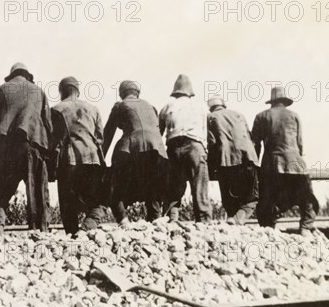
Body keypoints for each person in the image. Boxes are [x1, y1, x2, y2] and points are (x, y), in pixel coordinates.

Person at [0, 63, 52, 234]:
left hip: (5, 147)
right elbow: (48, 125)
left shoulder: (0, 90)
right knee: (37, 193)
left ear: (11, 76)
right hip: (33, 144)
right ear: (28, 76)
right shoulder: (38, 92)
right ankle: (39, 233)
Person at [251, 86, 319, 236]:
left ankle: (269, 229)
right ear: (285, 101)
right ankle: (305, 228)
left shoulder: (262, 116)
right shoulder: (294, 115)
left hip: (271, 163)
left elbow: (254, 143)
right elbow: (300, 143)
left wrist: (256, 164)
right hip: (295, 162)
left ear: (272, 101)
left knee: (268, 198)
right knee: (306, 197)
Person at [102, 80, 169, 225]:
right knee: (154, 186)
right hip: (158, 151)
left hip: (130, 148)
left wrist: (100, 158)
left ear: (121, 94)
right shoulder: (151, 106)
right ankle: (155, 221)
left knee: (113, 184)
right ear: (137, 93)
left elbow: (108, 134)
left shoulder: (120, 105)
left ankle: (123, 219)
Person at [49, 76, 107, 235]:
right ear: (78, 91)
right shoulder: (93, 108)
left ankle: (72, 236)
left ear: (61, 91)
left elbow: (51, 139)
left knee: (68, 205)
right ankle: (87, 228)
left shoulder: (55, 109)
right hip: (92, 159)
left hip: (67, 160)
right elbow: (100, 138)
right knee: (98, 202)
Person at [159, 74, 211, 222]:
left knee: (174, 185)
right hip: (195, 146)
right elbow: (208, 129)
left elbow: (159, 132)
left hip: (173, 147)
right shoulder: (200, 107)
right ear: (190, 91)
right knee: (199, 185)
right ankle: (203, 221)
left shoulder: (167, 107)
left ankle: (171, 219)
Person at [207, 96, 259, 225]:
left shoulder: (210, 117)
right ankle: (238, 219)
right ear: (224, 105)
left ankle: (234, 220)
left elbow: (212, 142)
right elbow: (250, 137)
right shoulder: (238, 114)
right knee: (251, 197)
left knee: (229, 199)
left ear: (211, 107)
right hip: (247, 159)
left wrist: (211, 166)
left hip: (225, 161)